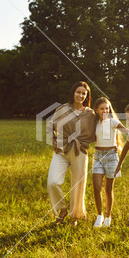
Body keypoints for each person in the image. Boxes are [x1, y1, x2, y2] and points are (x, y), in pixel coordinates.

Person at [46, 81, 96, 226]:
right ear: (73, 93)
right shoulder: (62, 109)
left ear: (86, 96)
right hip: (62, 150)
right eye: (78, 92)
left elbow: (97, 130)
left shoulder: (89, 113)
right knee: (53, 182)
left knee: (78, 185)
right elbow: (51, 126)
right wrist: (54, 141)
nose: (80, 95)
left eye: (83, 93)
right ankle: (61, 210)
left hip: (80, 151)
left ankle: (76, 216)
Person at [92, 97, 129, 228]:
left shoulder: (113, 122)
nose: (105, 110)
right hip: (97, 157)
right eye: (102, 108)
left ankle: (108, 216)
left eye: (107, 108)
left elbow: (127, 131)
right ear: (96, 110)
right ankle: (99, 215)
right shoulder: (95, 123)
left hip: (111, 157)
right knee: (97, 188)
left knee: (108, 189)